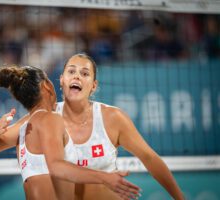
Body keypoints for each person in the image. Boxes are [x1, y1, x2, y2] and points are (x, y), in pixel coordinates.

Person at [0, 65, 141, 200]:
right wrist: (105, 178)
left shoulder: (26, 124)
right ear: (46, 85)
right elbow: (56, 167)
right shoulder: (50, 119)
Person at [56, 53, 184, 200]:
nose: (77, 76)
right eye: (71, 71)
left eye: (85, 73)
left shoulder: (112, 118)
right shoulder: (45, 117)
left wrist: (180, 198)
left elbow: (149, 158)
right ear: (61, 80)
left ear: (93, 85)